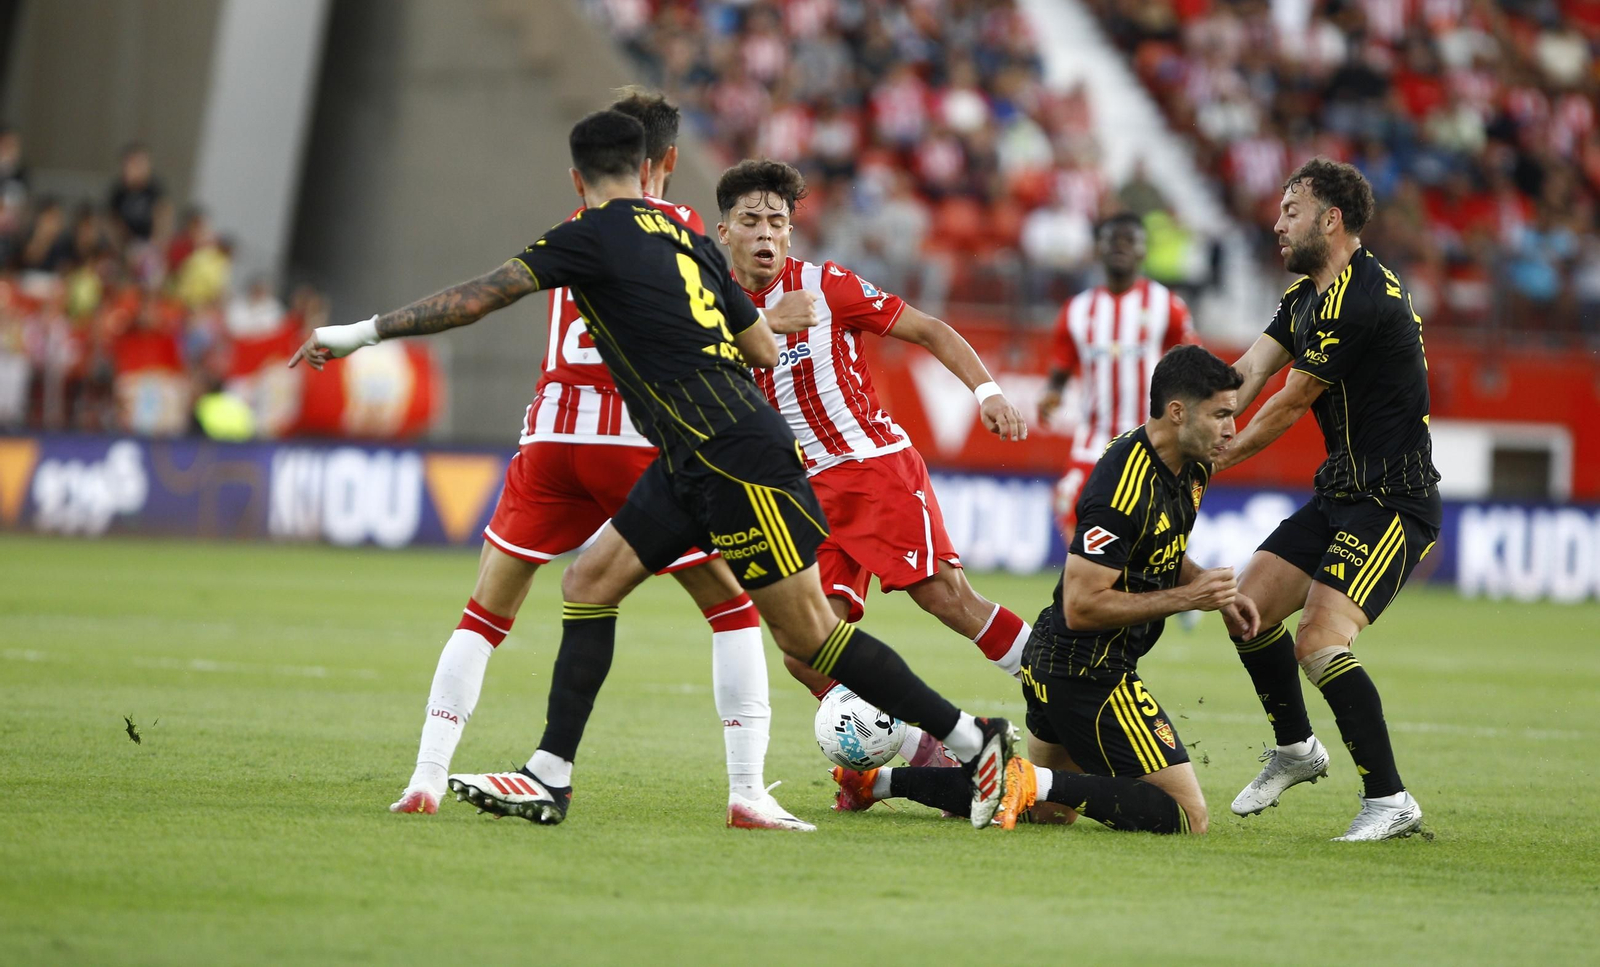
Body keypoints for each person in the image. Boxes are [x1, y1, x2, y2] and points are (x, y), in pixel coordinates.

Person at [293, 110, 1016, 830]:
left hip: (735, 457)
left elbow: (479, 297)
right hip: (689, 454)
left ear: (577, 179)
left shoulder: (587, 235)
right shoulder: (687, 236)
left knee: (811, 639)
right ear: (649, 169)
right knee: (589, 583)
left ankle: (971, 739)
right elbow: (764, 350)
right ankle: (549, 776)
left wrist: (362, 332)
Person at [834, 345, 1259, 834]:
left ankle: (876, 782)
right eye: (1220, 415)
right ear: (1178, 412)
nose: (1232, 428)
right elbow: (1081, 606)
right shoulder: (1122, 487)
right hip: (1090, 672)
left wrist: (1209, 587)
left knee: (1050, 810)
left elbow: (1156, 543)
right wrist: (1190, 599)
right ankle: (1028, 778)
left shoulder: (1191, 464)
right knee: (1187, 816)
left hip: (1054, 662)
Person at [717, 157, 1032, 766]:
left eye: (776, 222)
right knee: (805, 649)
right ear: (725, 231)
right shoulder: (713, 308)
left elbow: (931, 330)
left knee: (945, 598)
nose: (765, 233)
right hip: (802, 494)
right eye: (750, 221)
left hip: (870, 468)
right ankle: (933, 754)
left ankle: (1061, 683)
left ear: (790, 232)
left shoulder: (828, 286)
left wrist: (987, 393)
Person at [1216, 158, 1440, 841]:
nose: (1278, 224)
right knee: (1246, 609)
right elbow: (1249, 371)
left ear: (1331, 219)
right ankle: (1295, 748)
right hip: (1341, 490)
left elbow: (1291, 401)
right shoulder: (1306, 296)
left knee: (1318, 638)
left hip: (1393, 502)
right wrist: (1187, 426)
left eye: (1291, 211)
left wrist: (1212, 459)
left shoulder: (1361, 298)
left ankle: (1390, 800)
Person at [1037, 213, 1198, 542]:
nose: (1120, 246)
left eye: (1130, 240)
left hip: (1149, 437)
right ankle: (1082, 573)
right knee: (1070, 507)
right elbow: (1060, 372)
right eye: (1113, 240)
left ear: (1143, 250)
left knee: (1152, 527)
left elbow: (1192, 367)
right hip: (1094, 437)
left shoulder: (1167, 306)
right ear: (1098, 249)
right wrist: (1051, 395)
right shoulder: (1077, 310)